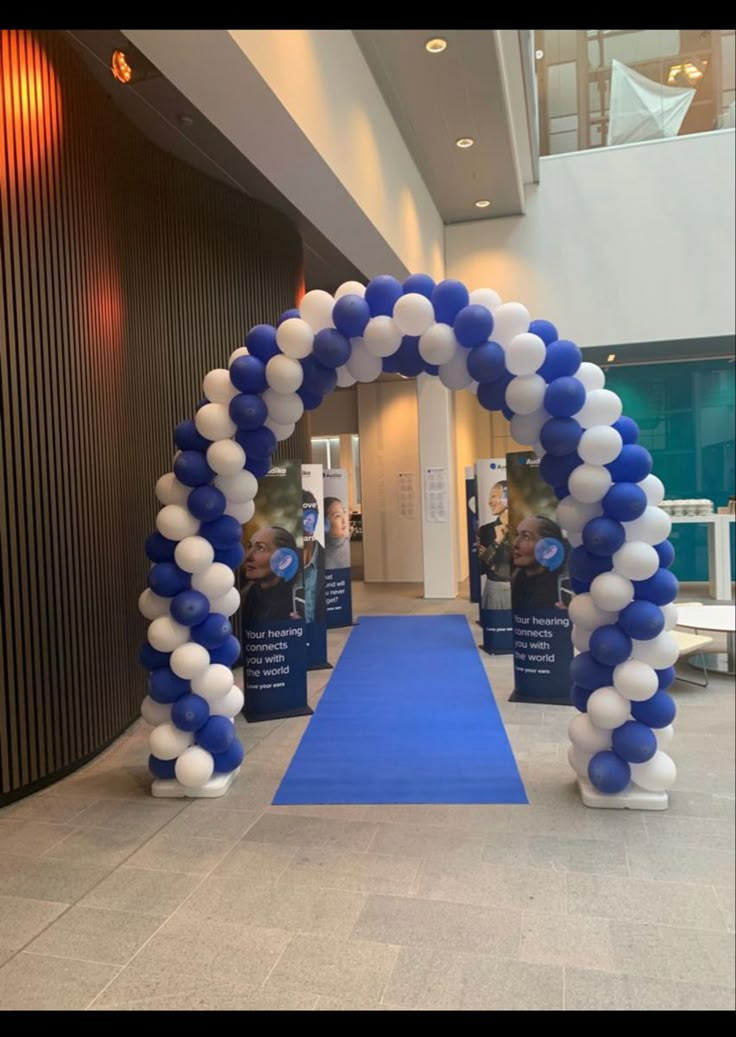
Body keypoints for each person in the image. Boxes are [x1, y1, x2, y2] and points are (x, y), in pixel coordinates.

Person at [241, 525, 301, 623]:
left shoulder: (300, 602)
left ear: (284, 559)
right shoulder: (244, 598)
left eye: (260, 548)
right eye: (249, 546)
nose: (248, 556)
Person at [511, 515, 569, 611]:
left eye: (526, 537)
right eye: (516, 535)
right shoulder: (514, 581)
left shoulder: (565, 590)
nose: (515, 544)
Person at [477, 480, 511, 611]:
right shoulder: (486, 530)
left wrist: (495, 565)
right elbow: (482, 568)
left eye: (493, 496)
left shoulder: (524, 527)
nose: (489, 502)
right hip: (496, 591)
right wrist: (496, 542)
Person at [301, 490, 326, 624]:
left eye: (311, 515)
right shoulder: (280, 563)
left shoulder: (325, 558)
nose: (308, 520)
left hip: (317, 634)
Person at [324, 496, 351, 570]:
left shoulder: (349, 545)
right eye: (337, 516)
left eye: (344, 513)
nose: (344, 521)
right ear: (325, 522)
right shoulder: (319, 551)